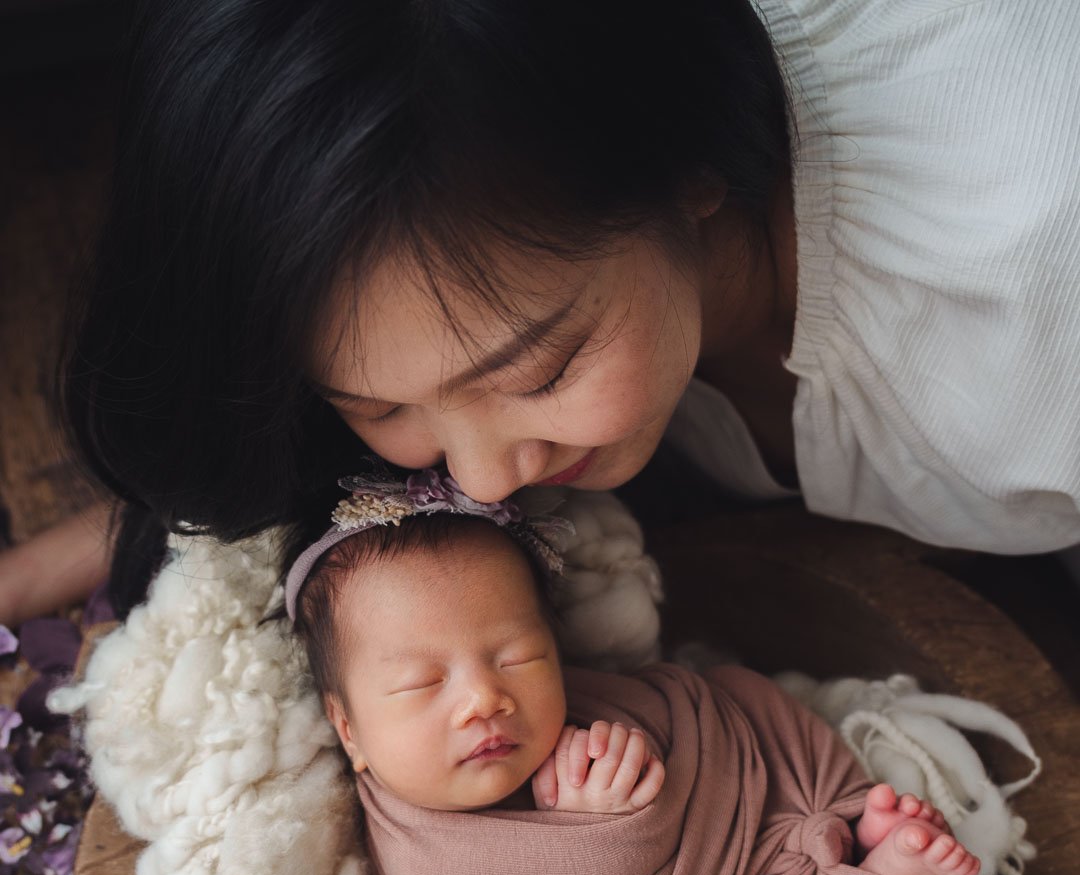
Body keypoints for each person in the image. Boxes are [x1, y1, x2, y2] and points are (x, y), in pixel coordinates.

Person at [8, 0, 1080, 624]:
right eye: (372, 404)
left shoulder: (1037, 265)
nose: (476, 481)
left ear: (687, 168)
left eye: (538, 371)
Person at [286, 468, 980, 875]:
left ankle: (846, 816)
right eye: (422, 684)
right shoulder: (414, 852)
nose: (484, 699)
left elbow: (692, 715)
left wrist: (635, 760)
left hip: (741, 806)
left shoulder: (583, 713)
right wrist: (606, 835)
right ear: (350, 731)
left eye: (518, 658)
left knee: (737, 698)